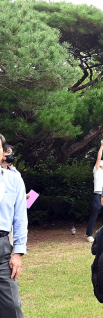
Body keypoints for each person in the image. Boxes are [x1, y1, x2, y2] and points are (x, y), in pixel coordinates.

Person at [0, 134, 27, 318]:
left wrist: (18, 252)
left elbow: (20, 217)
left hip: (2, 249)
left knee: (12, 307)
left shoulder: (14, 179)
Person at [86, 140, 103, 243]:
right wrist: (101, 146)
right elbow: (98, 158)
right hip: (98, 195)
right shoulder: (96, 170)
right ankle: (89, 234)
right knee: (94, 215)